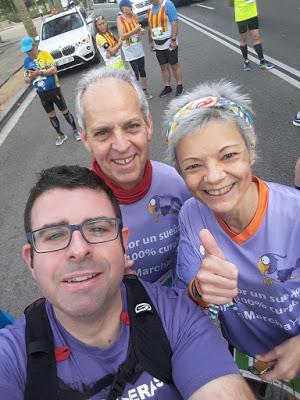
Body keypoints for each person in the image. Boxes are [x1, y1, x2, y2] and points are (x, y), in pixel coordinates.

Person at [0, 165, 256, 399]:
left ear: (123, 243)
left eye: (98, 228)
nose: (78, 250)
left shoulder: (176, 316)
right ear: (30, 260)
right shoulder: (9, 359)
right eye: (54, 235)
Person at [165, 80, 300, 383]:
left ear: (250, 151)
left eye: (228, 156)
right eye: (194, 166)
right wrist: (200, 290)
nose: (214, 177)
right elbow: (186, 302)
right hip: (246, 361)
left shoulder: (295, 214)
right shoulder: (191, 214)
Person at [76, 67, 190, 286]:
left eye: (131, 126)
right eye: (102, 133)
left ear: (148, 125)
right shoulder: (74, 212)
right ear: (85, 138)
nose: (121, 145)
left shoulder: (178, 184)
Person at [21, 37, 80, 146]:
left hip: (54, 89)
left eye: (29, 50)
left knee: (64, 111)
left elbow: (54, 70)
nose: (28, 53)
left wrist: (40, 73)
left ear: (34, 46)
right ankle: (61, 135)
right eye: (26, 51)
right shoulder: (26, 61)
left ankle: (75, 131)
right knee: (51, 115)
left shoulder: (45, 55)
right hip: (41, 93)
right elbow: (26, 79)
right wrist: (30, 77)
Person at [117, 0, 152, 100]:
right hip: (129, 51)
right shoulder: (120, 20)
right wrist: (134, 30)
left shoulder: (134, 16)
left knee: (142, 71)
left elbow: (138, 29)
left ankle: (144, 91)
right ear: (123, 8)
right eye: (129, 6)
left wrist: (140, 31)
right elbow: (122, 36)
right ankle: (136, 92)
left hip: (138, 48)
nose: (131, 8)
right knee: (135, 73)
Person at [148, 0, 183, 97]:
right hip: (157, 44)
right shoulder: (150, 8)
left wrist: (173, 39)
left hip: (169, 42)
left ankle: (180, 85)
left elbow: (174, 22)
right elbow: (150, 27)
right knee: (163, 66)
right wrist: (150, 41)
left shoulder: (167, 4)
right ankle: (168, 86)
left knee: (174, 65)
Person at [227, 0, 274, 71]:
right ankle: (246, 62)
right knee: (243, 39)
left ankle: (262, 61)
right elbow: (230, 3)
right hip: (241, 16)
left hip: (252, 14)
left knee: (256, 36)